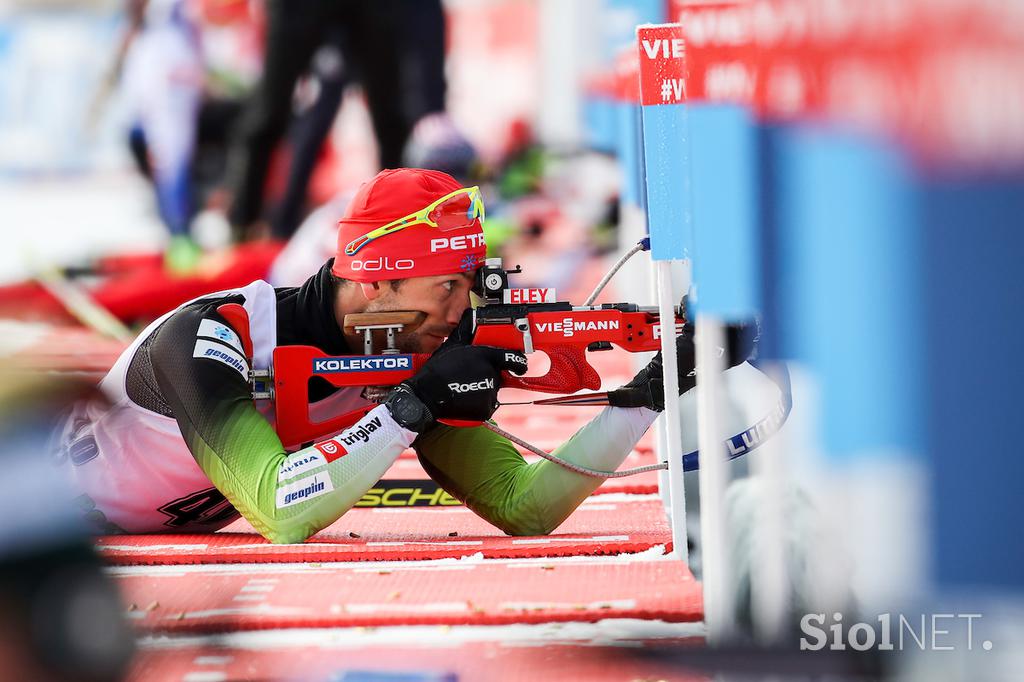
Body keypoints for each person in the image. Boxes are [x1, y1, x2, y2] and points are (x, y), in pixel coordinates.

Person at [55, 168, 751, 544]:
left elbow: (526, 507)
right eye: (447, 288)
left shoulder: (416, 347)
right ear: (374, 279)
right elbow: (282, 510)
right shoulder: (214, 335)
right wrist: (408, 409)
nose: (457, 314)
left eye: (468, 289)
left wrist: (649, 396)